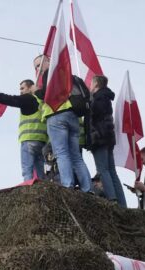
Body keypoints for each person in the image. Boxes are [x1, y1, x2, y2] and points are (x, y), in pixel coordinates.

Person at [33, 54, 92, 191]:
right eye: (36, 66)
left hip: (56, 116)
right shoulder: (67, 74)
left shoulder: (50, 73)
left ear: (48, 61)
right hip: (72, 116)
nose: (38, 68)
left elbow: (48, 95)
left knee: (61, 153)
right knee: (76, 157)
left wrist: (36, 91)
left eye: (40, 64)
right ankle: (88, 189)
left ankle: (67, 186)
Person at [0, 80, 48, 181]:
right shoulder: (41, 102)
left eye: (23, 88)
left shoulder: (27, 98)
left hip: (28, 140)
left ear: (31, 87)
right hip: (41, 142)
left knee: (27, 172)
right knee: (41, 174)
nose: (21, 91)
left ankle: (27, 194)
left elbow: (8, 99)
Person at [87, 75, 127, 207]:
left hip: (100, 138)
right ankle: (121, 202)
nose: (90, 86)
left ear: (96, 84)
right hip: (108, 138)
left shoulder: (98, 98)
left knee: (103, 169)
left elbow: (93, 115)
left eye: (91, 83)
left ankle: (112, 199)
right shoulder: (106, 97)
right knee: (111, 171)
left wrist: (88, 102)